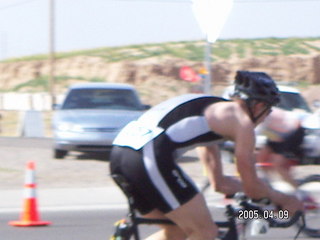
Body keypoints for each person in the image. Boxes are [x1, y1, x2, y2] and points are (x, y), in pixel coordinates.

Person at [110, 71, 303, 240]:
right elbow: (252, 188)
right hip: (148, 155)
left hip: (121, 153)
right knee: (205, 232)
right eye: (268, 109)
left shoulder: (213, 113)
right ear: (259, 106)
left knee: (176, 232)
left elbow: (219, 183)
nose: (267, 116)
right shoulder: (242, 123)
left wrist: (258, 194)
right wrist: (283, 200)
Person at [256, 107, 305, 189]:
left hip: (291, 133)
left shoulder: (262, 113)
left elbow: (253, 132)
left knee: (278, 165)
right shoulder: (258, 110)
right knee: (261, 158)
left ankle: (297, 190)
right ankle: (268, 185)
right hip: (276, 133)